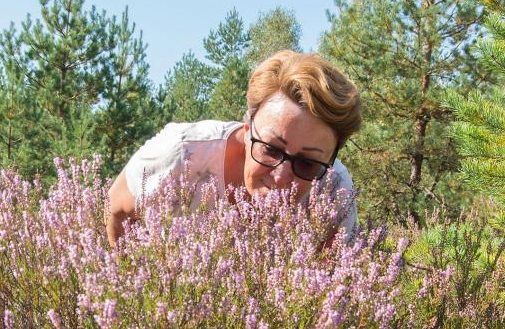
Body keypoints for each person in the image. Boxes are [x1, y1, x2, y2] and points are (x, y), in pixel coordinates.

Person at [105, 50, 361, 247]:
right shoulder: (182, 154)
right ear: (248, 129)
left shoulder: (334, 191)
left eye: (307, 163)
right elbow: (117, 210)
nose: (282, 176)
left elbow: (329, 284)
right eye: (271, 149)